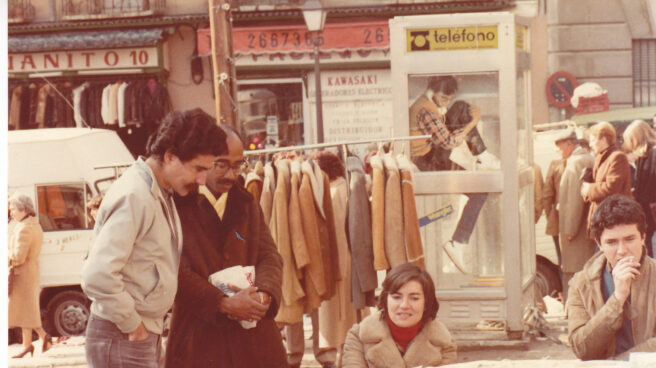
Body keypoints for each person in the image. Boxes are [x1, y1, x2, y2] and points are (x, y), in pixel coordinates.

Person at [81, 108, 226, 368]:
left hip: (133, 333)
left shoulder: (157, 191)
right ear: (170, 156)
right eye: (198, 169)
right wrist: (134, 325)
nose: (203, 180)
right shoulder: (136, 195)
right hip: (123, 334)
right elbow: (97, 275)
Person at [165, 125, 287, 368]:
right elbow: (172, 270)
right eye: (221, 165)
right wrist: (222, 302)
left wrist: (264, 294)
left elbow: (269, 255)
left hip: (254, 339)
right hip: (198, 340)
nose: (231, 175)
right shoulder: (177, 205)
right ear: (203, 161)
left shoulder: (247, 202)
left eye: (237, 165)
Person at [567, 194, 656, 360]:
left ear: (643, 238)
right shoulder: (581, 283)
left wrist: (619, 362)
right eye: (612, 242)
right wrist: (617, 299)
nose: (622, 250)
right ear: (599, 244)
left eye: (629, 239)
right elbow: (581, 348)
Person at [342, 263, 457, 367]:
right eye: (396, 297)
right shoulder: (358, 337)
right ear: (386, 300)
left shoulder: (444, 342)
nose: (404, 305)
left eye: (414, 298)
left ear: (426, 303)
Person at [409, 76, 499, 172]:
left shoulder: (425, 101)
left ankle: (484, 157)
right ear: (432, 92)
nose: (447, 104)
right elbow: (448, 142)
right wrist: (473, 122)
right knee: (460, 107)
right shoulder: (426, 110)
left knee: (460, 106)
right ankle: (484, 158)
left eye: (450, 99)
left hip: (430, 153)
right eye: (444, 98)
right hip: (426, 163)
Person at [8, 192, 53, 358]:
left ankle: (38, 340)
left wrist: (6, 254)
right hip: (30, 272)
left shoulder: (24, 229)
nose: (11, 212)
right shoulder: (34, 224)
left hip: (22, 274)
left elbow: (18, 257)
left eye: (12, 209)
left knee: (24, 310)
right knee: (26, 310)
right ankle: (32, 343)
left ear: (23, 209)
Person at [554, 130, 596, 300]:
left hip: (576, 231)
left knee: (573, 271)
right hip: (585, 227)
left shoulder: (576, 162)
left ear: (569, 144)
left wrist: (570, 229)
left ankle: (573, 314)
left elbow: (574, 200)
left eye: (559, 147)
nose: (557, 151)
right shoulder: (587, 158)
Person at [581, 122, 632, 238]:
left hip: (613, 221)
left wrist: (589, 189)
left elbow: (611, 188)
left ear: (604, 139)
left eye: (593, 140)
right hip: (605, 219)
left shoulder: (617, 157)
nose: (590, 144)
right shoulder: (602, 158)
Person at [622, 120, 656, 257]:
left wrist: (638, 194)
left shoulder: (652, 154)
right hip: (648, 212)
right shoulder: (644, 155)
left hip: (651, 211)